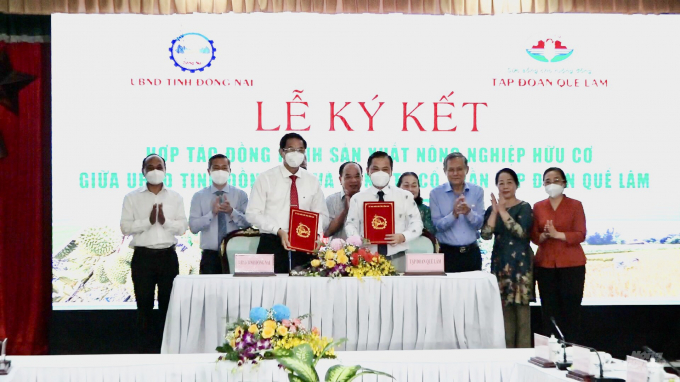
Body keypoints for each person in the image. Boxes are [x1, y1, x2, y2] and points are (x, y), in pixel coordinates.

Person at [120, 154, 188, 352]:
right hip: (143, 258)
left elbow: (182, 227)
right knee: (144, 306)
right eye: (150, 167)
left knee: (169, 306)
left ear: (165, 170)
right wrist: (148, 222)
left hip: (168, 256)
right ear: (143, 171)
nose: (155, 170)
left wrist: (165, 221)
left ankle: (167, 349)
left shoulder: (175, 197)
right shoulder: (131, 197)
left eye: (159, 166)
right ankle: (145, 350)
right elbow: (125, 228)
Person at [246, 133, 328, 273]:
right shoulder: (265, 178)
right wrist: (278, 230)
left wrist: (317, 235)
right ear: (281, 152)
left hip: (305, 242)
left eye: (300, 150)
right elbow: (252, 214)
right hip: (272, 241)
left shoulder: (312, 181)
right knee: (270, 290)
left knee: (304, 289)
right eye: (291, 149)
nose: (296, 154)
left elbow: (322, 214)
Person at [531, 167, 587, 343]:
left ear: (564, 183)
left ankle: (572, 352)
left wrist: (558, 235)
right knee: (549, 311)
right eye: (547, 181)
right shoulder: (538, 207)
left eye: (556, 180)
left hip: (572, 265)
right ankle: (551, 352)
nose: (552, 184)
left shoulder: (575, 205)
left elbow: (580, 234)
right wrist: (544, 235)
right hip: (546, 265)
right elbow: (534, 236)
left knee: (571, 312)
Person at [481, 168, 534, 348]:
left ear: (516, 185)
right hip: (500, 264)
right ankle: (507, 356)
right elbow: (486, 235)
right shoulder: (491, 210)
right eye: (501, 183)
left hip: (520, 266)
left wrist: (503, 211)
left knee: (522, 315)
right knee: (504, 315)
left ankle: (524, 359)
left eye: (509, 182)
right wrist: (495, 212)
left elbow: (521, 232)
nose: (505, 186)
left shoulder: (525, 207)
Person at [345, 151, 423, 272]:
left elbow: (417, 223)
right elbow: (350, 224)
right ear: (367, 171)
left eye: (385, 169)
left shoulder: (404, 196)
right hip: (367, 259)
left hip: (398, 257)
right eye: (375, 169)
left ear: (391, 172)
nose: (380, 173)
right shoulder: (358, 198)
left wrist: (402, 236)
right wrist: (358, 239)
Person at [189, 154, 249, 274]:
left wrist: (232, 212)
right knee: (209, 292)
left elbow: (248, 224)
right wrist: (212, 214)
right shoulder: (199, 196)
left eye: (224, 168)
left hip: (236, 254)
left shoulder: (240, 195)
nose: (220, 171)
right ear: (208, 171)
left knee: (235, 292)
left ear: (230, 171)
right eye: (216, 168)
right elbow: (194, 227)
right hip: (210, 256)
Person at [430, 152, 485, 273]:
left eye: (459, 169)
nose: (455, 173)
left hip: (472, 254)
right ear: (445, 171)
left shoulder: (477, 191)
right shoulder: (435, 194)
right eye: (451, 170)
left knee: (473, 291)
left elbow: (480, 224)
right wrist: (453, 214)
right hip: (447, 255)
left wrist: (468, 212)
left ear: (467, 169)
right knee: (447, 292)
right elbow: (437, 227)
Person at [324, 161, 363, 240]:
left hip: (363, 251)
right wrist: (346, 210)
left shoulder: (368, 200)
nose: (354, 180)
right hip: (338, 251)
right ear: (340, 179)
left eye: (357, 176)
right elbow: (327, 232)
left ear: (362, 178)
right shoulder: (331, 200)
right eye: (348, 177)